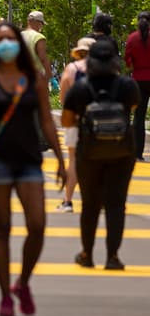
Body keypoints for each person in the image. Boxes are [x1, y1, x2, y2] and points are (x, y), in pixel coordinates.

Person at [0, 22, 65, 316]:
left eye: (10, 39)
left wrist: (61, 159)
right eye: (0, 40)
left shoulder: (33, 77)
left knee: (37, 225)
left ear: (19, 44)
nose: (6, 44)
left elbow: (46, 120)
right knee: (2, 228)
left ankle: (22, 282)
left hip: (28, 159)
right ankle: (4, 297)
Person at [61, 37, 138, 271]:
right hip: (122, 152)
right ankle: (113, 256)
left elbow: (67, 121)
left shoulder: (81, 88)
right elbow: (133, 108)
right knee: (116, 204)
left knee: (90, 205)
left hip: (89, 152)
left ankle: (87, 254)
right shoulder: (127, 86)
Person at [55, 37, 94, 212]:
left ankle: (68, 201)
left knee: (73, 161)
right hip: (98, 122)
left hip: (75, 120)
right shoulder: (104, 69)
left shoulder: (72, 69)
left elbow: (63, 98)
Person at [123, 11, 150, 161]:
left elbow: (128, 60)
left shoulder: (132, 38)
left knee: (139, 117)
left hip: (139, 79)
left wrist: (134, 67)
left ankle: (137, 153)